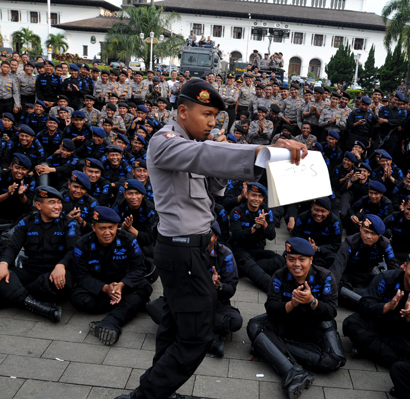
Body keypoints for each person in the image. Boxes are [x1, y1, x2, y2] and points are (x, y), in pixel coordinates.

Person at [116, 80, 307, 399]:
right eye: (206, 114)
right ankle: (144, 397)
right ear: (182, 111)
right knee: (194, 339)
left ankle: (160, 391)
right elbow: (202, 156)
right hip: (182, 251)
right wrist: (262, 152)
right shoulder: (164, 141)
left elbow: (214, 189)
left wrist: (233, 159)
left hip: (197, 249)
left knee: (174, 327)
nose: (211, 122)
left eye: (216, 117)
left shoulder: (192, 144)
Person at [247, 238, 346, 399]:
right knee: (254, 326)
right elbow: (271, 309)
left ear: (311, 259)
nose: (296, 264)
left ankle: (268, 348)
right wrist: (292, 303)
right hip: (288, 323)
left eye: (302, 259)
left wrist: (312, 301)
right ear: (286, 259)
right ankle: (293, 372)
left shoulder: (325, 277)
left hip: (315, 325)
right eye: (291, 259)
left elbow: (330, 312)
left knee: (335, 360)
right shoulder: (279, 275)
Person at [0, 186, 81, 321]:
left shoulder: (69, 223)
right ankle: (39, 306)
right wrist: (3, 264)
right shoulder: (27, 222)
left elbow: (74, 250)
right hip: (31, 271)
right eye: (51, 202)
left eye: (59, 202)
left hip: (54, 273)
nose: (57, 206)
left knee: (63, 281)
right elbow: (13, 247)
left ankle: (13, 295)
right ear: (38, 205)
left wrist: (61, 265)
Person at [343, 248, 410, 367]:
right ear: (404, 266)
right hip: (379, 324)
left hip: (402, 333)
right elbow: (363, 306)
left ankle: (370, 349)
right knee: (351, 324)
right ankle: (405, 363)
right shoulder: (386, 278)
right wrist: (387, 307)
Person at [72, 206, 152, 345]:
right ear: (94, 228)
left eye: (111, 227)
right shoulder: (82, 244)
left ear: (117, 227)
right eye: (102, 228)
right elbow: (81, 276)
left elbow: (139, 268)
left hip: (123, 284)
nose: (107, 232)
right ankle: (131, 304)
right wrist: (105, 288)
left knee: (145, 287)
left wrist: (121, 286)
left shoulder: (128, 240)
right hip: (99, 288)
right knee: (78, 299)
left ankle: (111, 321)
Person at [331, 214, 400, 307]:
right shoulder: (350, 242)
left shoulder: (385, 244)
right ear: (360, 228)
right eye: (366, 231)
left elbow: (393, 267)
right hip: (348, 277)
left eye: (373, 234)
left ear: (379, 235)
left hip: (369, 276)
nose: (368, 236)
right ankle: (370, 305)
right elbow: (338, 267)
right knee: (335, 288)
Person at [229, 182, 280, 292]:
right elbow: (237, 236)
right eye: (253, 195)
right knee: (245, 260)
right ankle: (271, 288)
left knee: (280, 260)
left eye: (260, 196)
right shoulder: (237, 211)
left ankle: (244, 269)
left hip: (257, 250)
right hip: (241, 249)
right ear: (247, 195)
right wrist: (255, 227)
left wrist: (265, 225)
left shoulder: (266, 212)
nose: (257, 199)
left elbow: (272, 236)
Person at [206, 221, 242, 357]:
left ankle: (189, 331)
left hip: (216, 302)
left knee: (235, 321)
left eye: (209, 235)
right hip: (192, 300)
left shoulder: (225, 254)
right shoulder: (189, 251)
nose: (204, 239)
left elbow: (231, 289)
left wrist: (218, 286)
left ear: (216, 237)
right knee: (157, 308)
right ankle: (210, 341)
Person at [291, 197, 342, 268]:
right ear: (311, 208)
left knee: (335, 259)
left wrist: (317, 248)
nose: (319, 214)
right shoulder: (302, 218)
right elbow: (295, 238)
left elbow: (336, 245)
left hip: (323, 254)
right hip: (302, 251)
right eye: (316, 210)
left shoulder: (335, 222)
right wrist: (306, 246)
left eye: (323, 211)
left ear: (328, 211)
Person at [114, 179, 157, 258]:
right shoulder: (120, 205)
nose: (134, 197)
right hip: (123, 239)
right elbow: (110, 226)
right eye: (130, 193)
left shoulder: (150, 210)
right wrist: (122, 228)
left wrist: (130, 229)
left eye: (137, 193)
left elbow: (150, 238)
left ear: (143, 195)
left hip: (143, 243)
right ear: (124, 194)